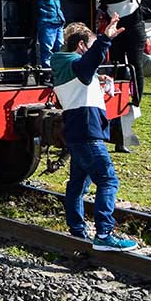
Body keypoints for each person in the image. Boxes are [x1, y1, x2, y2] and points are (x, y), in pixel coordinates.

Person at [52, 15, 137, 250]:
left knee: (77, 185)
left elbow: (83, 76)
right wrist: (105, 39)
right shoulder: (77, 66)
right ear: (81, 46)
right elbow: (88, 64)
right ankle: (104, 234)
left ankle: (77, 231)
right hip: (89, 133)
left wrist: (99, 81)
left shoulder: (65, 66)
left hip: (76, 133)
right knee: (108, 180)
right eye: (88, 46)